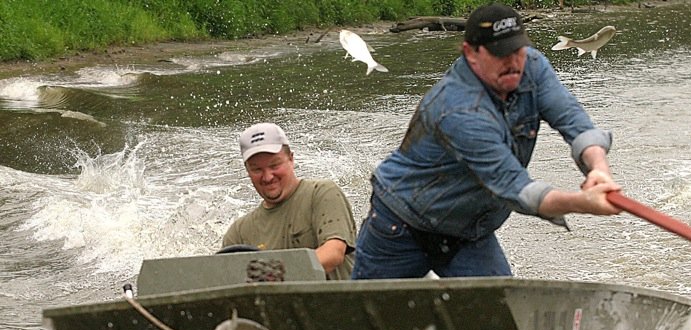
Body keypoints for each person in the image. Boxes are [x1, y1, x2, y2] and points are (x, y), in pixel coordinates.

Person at [351, 3, 622, 280]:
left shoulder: (532, 64)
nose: (513, 62)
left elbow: (574, 122)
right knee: (362, 318)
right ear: (471, 53)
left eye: (517, 50)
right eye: (500, 54)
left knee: (499, 319)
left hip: (468, 230)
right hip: (400, 225)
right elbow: (517, 188)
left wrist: (599, 169)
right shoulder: (458, 110)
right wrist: (583, 202)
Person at [223, 123, 356, 280]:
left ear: (291, 159)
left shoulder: (322, 193)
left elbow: (333, 253)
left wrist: (274, 276)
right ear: (247, 171)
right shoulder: (238, 233)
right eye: (257, 169)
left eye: (275, 165)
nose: (267, 177)